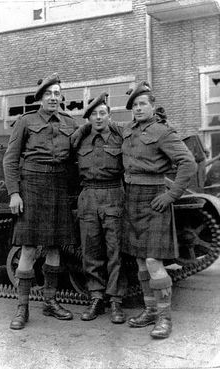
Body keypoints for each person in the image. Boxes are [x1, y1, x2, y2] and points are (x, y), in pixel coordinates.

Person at [72, 81, 197, 338]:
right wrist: (89, 118)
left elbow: (188, 163)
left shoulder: (163, 132)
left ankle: (164, 318)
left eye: (143, 104)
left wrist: (172, 194)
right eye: (134, 105)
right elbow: (100, 120)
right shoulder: (128, 129)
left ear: (153, 106)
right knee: (141, 261)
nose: (138, 109)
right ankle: (150, 310)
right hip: (132, 198)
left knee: (153, 260)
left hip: (154, 198)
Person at [3, 73, 78, 330]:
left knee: (56, 247)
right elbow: (10, 159)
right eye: (49, 94)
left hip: (59, 185)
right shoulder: (26, 121)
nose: (54, 98)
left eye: (57, 94)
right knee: (29, 248)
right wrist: (14, 192)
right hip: (32, 184)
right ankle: (22, 308)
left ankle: (50, 301)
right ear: (41, 98)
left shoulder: (70, 122)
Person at [76, 92, 126, 324]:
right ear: (88, 118)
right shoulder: (80, 139)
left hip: (113, 193)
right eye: (94, 114)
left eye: (102, 113)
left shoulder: (120, 136)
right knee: (91, 250)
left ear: (109, 115)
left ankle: (115, 300)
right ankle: (96, 298)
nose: (98, 118)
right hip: (88, 196)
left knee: (114, 251)